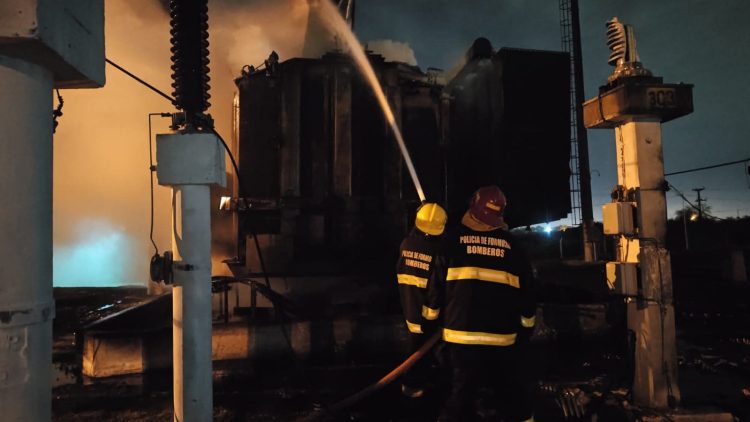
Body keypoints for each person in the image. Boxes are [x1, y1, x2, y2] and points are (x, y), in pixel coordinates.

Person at [437, 186, 536, 422]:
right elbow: (528, 294)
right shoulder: (514, 247)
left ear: (472, 207)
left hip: (461, 337)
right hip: (503, 339)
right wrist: (526, 330)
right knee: (512, 394)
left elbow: (436, 289)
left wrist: (438, 324)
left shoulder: (451, 242)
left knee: (461, 395)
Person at [395, 202, 447, 398]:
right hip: (428, 315)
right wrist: (433, 317)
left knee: (415, 349)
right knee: (425, 352)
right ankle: (419, 389)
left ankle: (411, 388)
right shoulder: (437, 252)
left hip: (410, 308)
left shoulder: (406, 244)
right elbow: (435, 289)